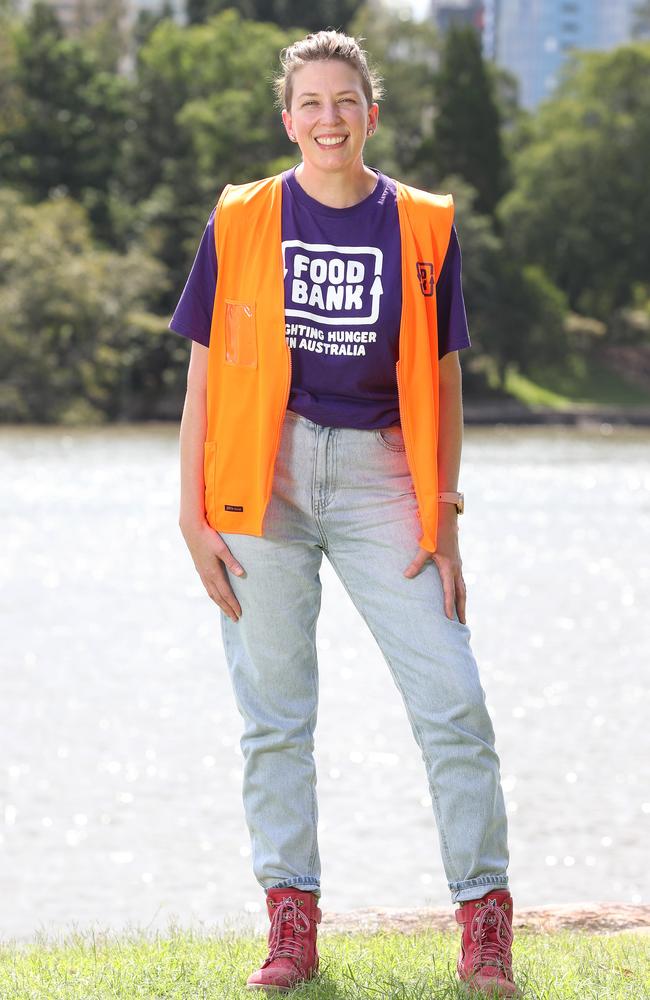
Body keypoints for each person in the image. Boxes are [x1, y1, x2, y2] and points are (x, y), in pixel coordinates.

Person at [169, 29, 521, 998]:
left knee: (453, 701)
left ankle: (483, 925)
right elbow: (201, 373)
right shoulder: (240, 218)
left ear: (371, 113)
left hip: (382, 481)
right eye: (309, 103)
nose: (328, 118)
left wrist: (441, 516)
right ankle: (291, 927)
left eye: (345, 100)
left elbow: (443, 383)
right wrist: (189, 508)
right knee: (273, 717)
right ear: (287, 121)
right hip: (259, 478)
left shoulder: (421, 226)